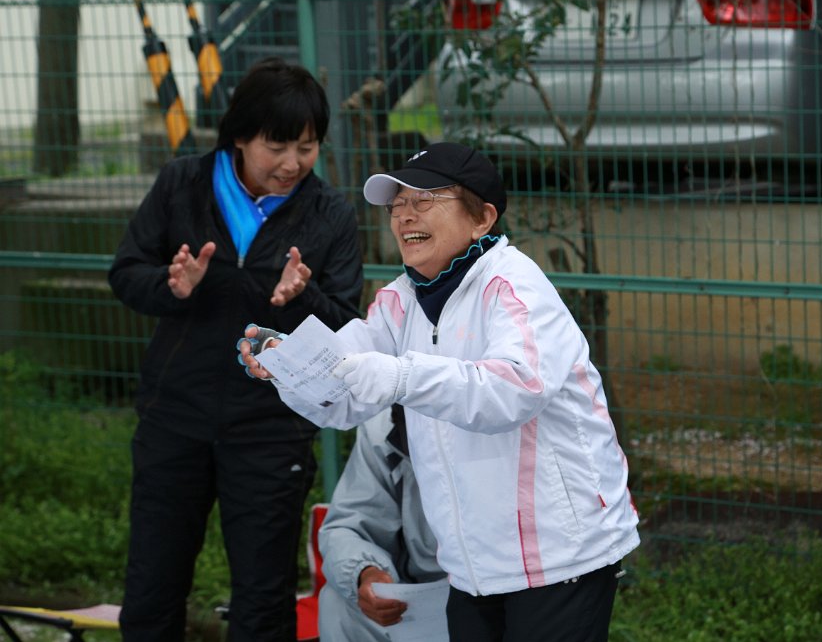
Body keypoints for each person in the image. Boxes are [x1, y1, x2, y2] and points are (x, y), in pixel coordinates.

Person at [240, 141, 640, 642]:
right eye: (397, 204)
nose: (405, 215)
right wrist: (287, 364)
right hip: (470, 564)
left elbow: (513, 389)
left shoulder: (514, 286)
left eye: (424, 200)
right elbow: (341, 395)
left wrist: (398, 375)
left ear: (482, 219)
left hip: (562, 555)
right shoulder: (400, 299)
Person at [108, 57, 364, 641]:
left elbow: (348, 325)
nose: (292, 163)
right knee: (151, 587)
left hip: (272, 430)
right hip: (174, 418)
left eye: (307, 147)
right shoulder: (182, 184)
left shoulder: (330, 214)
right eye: (277, 146)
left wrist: (302, 298)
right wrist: (171, 287)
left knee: (263, 599)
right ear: (240, 137)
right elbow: (126, 273)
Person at [317, 404, 446, 642]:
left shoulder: (503, 415)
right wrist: (366, 572)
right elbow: (347, 526)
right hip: (423, 597)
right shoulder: (383, 425)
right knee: (339, 602)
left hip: (496, 594)